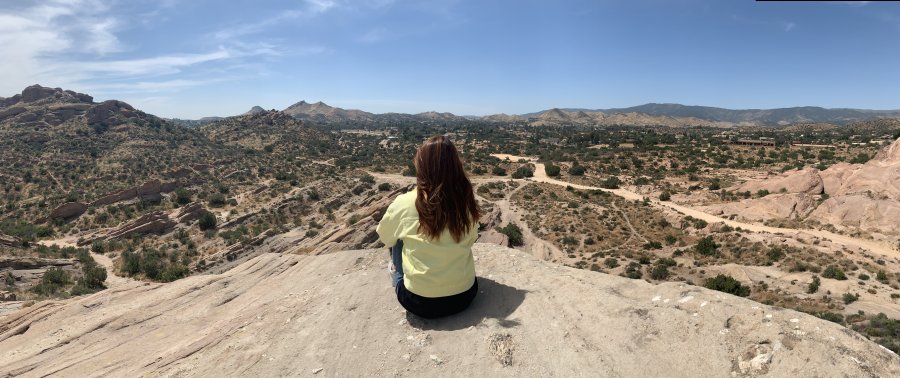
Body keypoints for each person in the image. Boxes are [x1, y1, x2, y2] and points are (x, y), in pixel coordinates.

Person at [376, 135, 481, 319]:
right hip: (464, 297)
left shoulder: (405, 202)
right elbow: (472, 239)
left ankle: (397, 276)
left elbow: (385, 238)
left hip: (418, 302)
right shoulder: (465, 203)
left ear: (422, 166)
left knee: (398, 240)